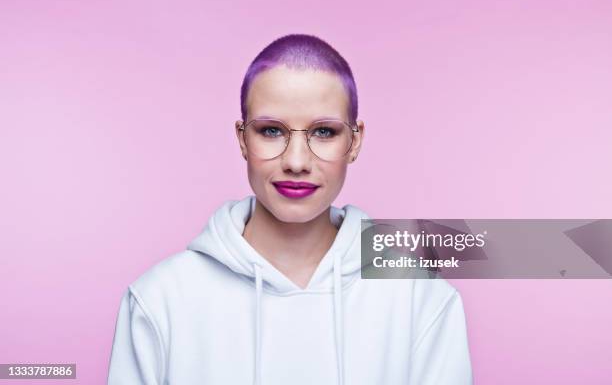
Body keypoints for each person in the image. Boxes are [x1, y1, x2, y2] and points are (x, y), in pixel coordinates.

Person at [107, 34, 473, 384]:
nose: (296, 161)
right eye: (271, 131)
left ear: (355, 141)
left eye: (324, 132)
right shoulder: (158, 300)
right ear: (242, 139)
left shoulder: (420, 298)